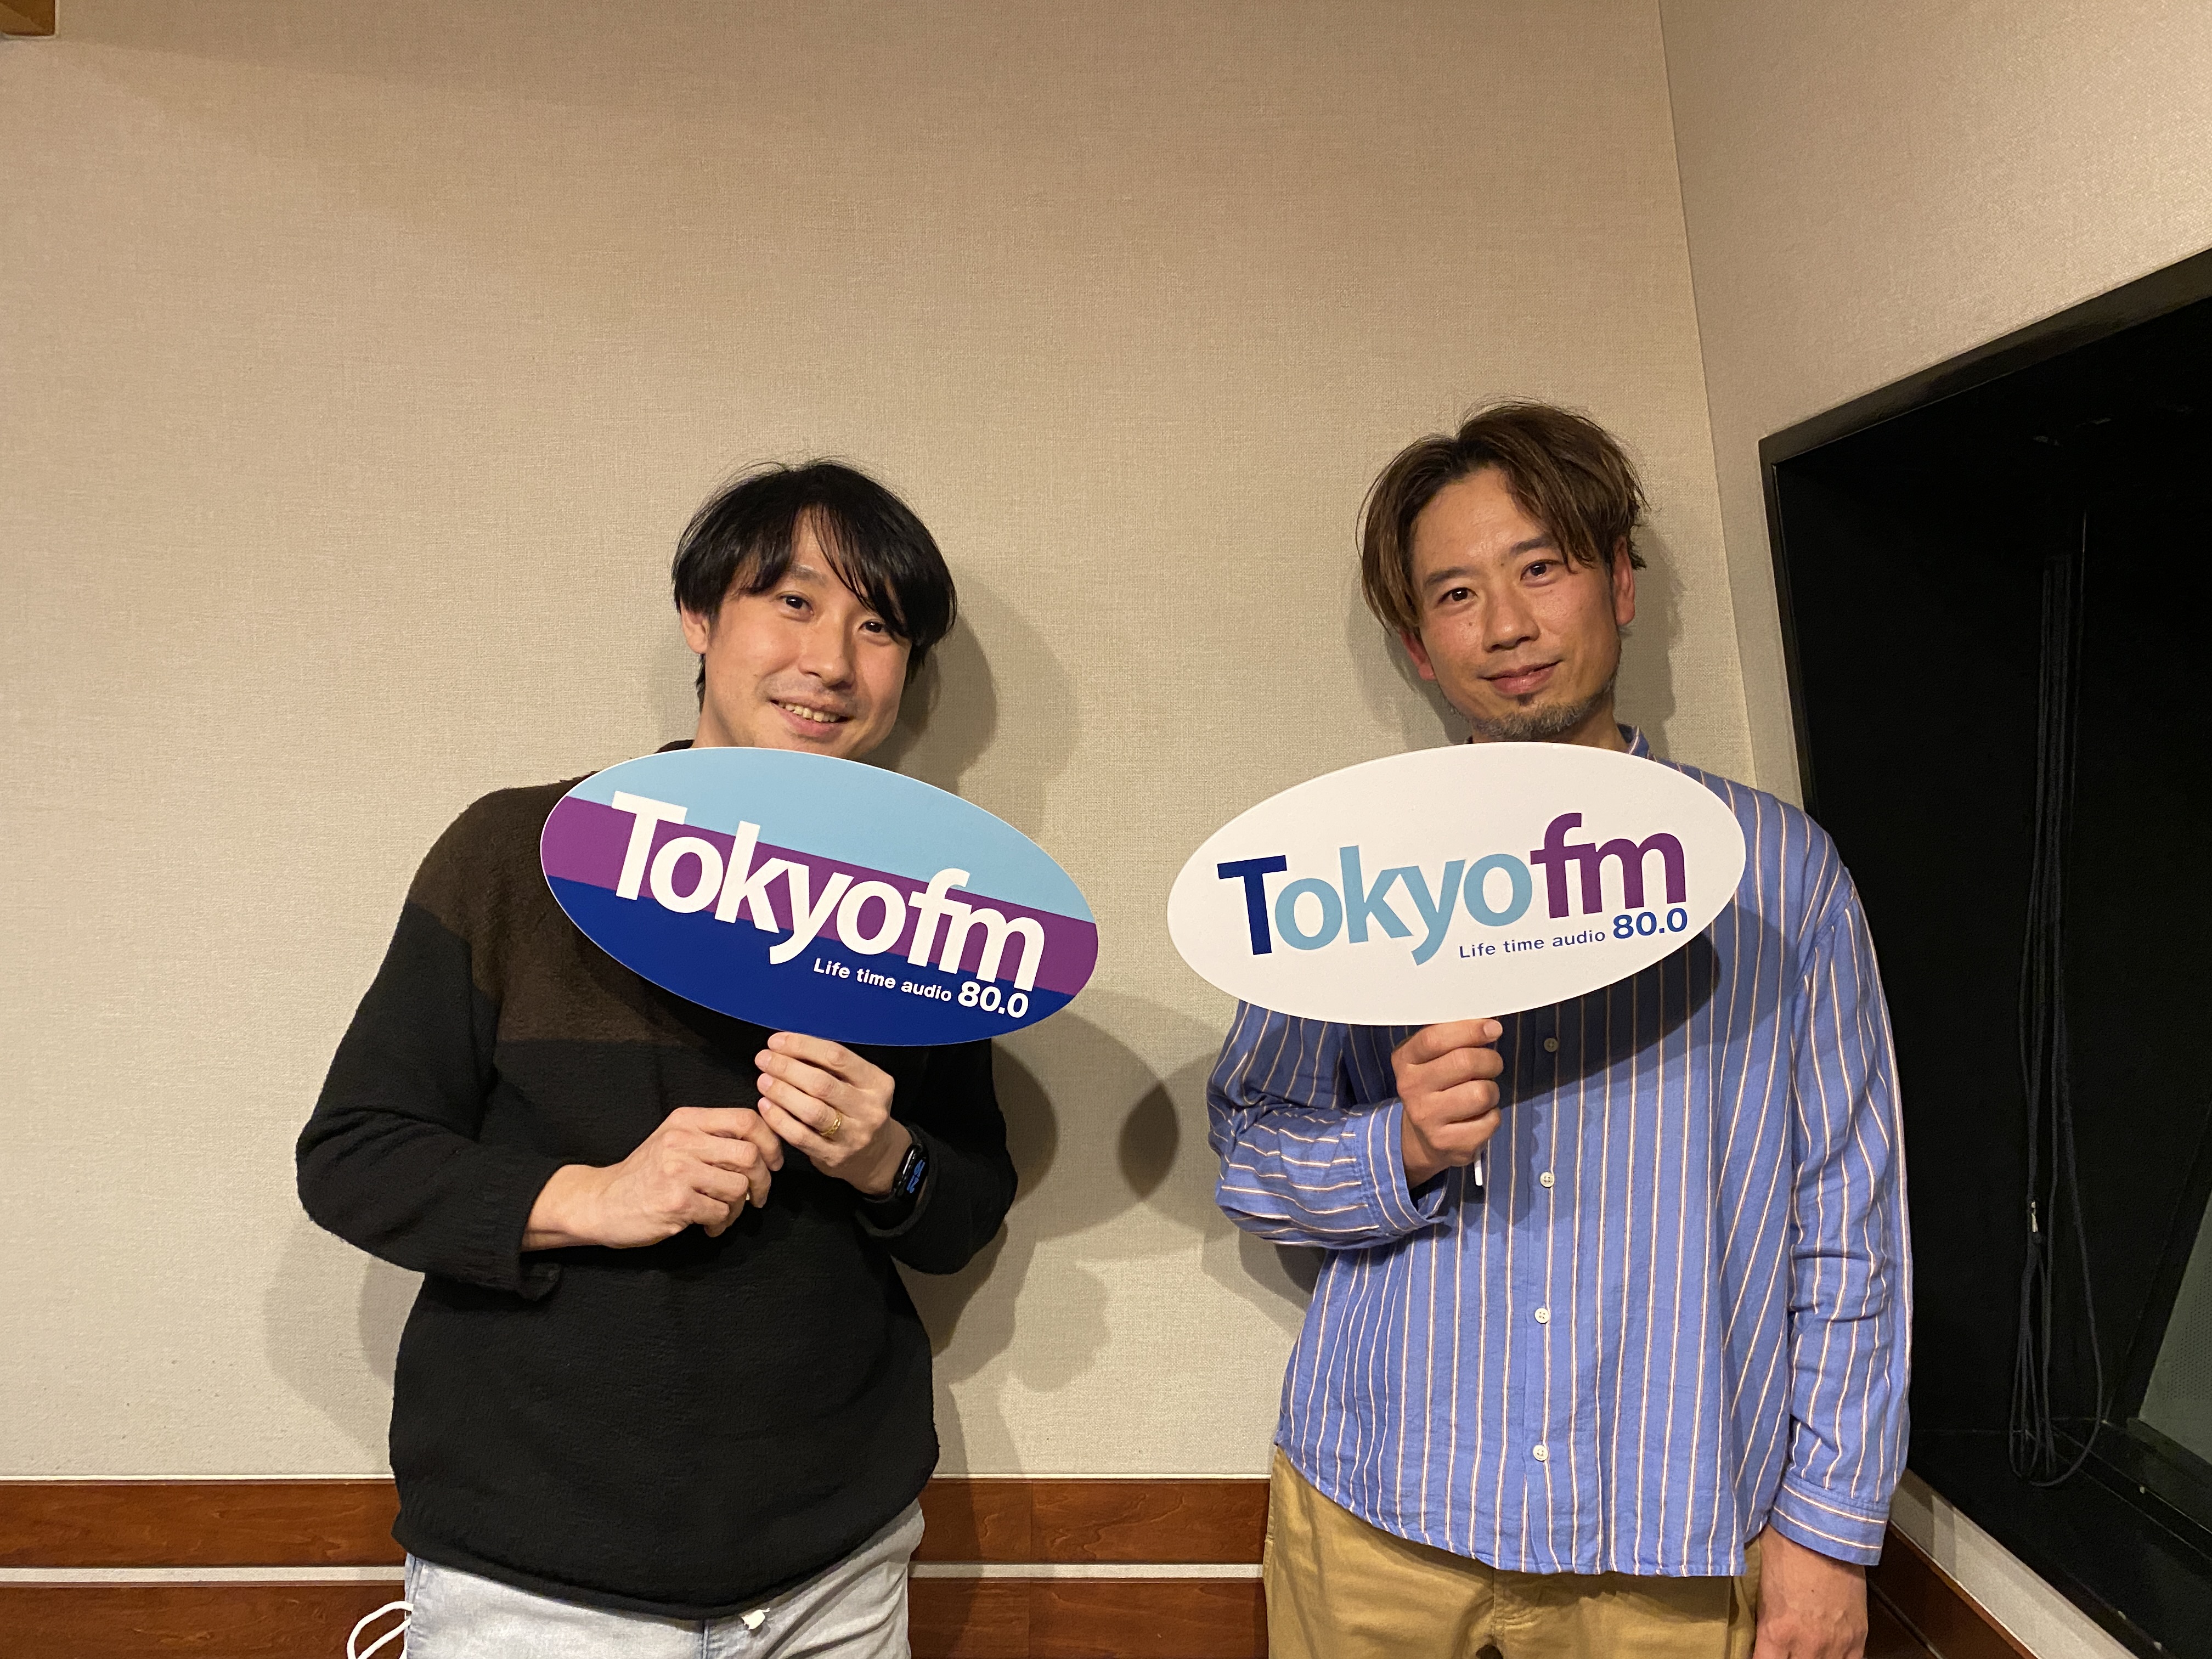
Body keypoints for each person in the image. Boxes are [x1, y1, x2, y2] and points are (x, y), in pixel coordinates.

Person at [1208, 404, 1907, 1659]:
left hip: (1668, 1543)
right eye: (1457, 594)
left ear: (1621, 584)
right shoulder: (1349, 876)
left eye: (1542, 568)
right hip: (1374, 1514)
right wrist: (1401, 1147)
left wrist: (1832, 1531)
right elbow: (1252, 1155)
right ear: (1419, 646)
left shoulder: (1779, 877)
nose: (1507, 626)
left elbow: (1851, 1223)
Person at [300, 461, 1016, 1657]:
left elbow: (967, 1212)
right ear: (700, 615)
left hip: (838, 1561)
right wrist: (593, 1197)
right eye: (793, 603)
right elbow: (353, 1157)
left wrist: (888, 1158)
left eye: (878, 626)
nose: (832, 662)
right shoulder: (519, 853)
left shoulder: (930, 908)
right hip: (534, 1573)